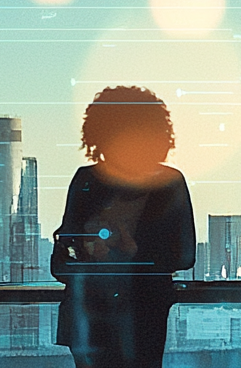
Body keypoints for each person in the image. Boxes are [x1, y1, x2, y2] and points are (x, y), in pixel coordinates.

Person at [51, 86, 196, 368]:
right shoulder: (166, 183)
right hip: (113, 316)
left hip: (118, 317)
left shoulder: (88, 182)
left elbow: (184, 255)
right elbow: (182, 255)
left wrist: (115, 253)